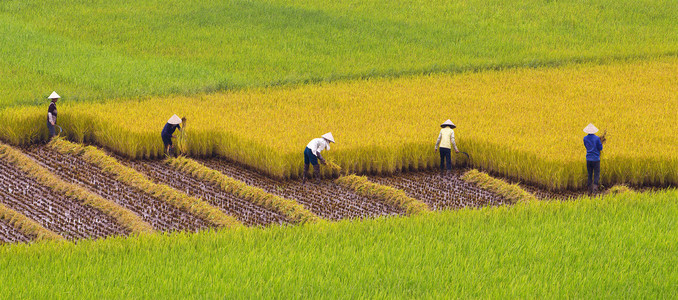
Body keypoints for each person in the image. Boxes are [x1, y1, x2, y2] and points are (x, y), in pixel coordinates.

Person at [583, 123, 605, 194]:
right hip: (596, 159)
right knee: (596, 174)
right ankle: (595, 190)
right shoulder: (597, 138)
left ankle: (589, 190)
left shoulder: (585, 138)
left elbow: (586, 146)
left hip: (588, 159)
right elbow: (600, 148)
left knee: (589, 174)